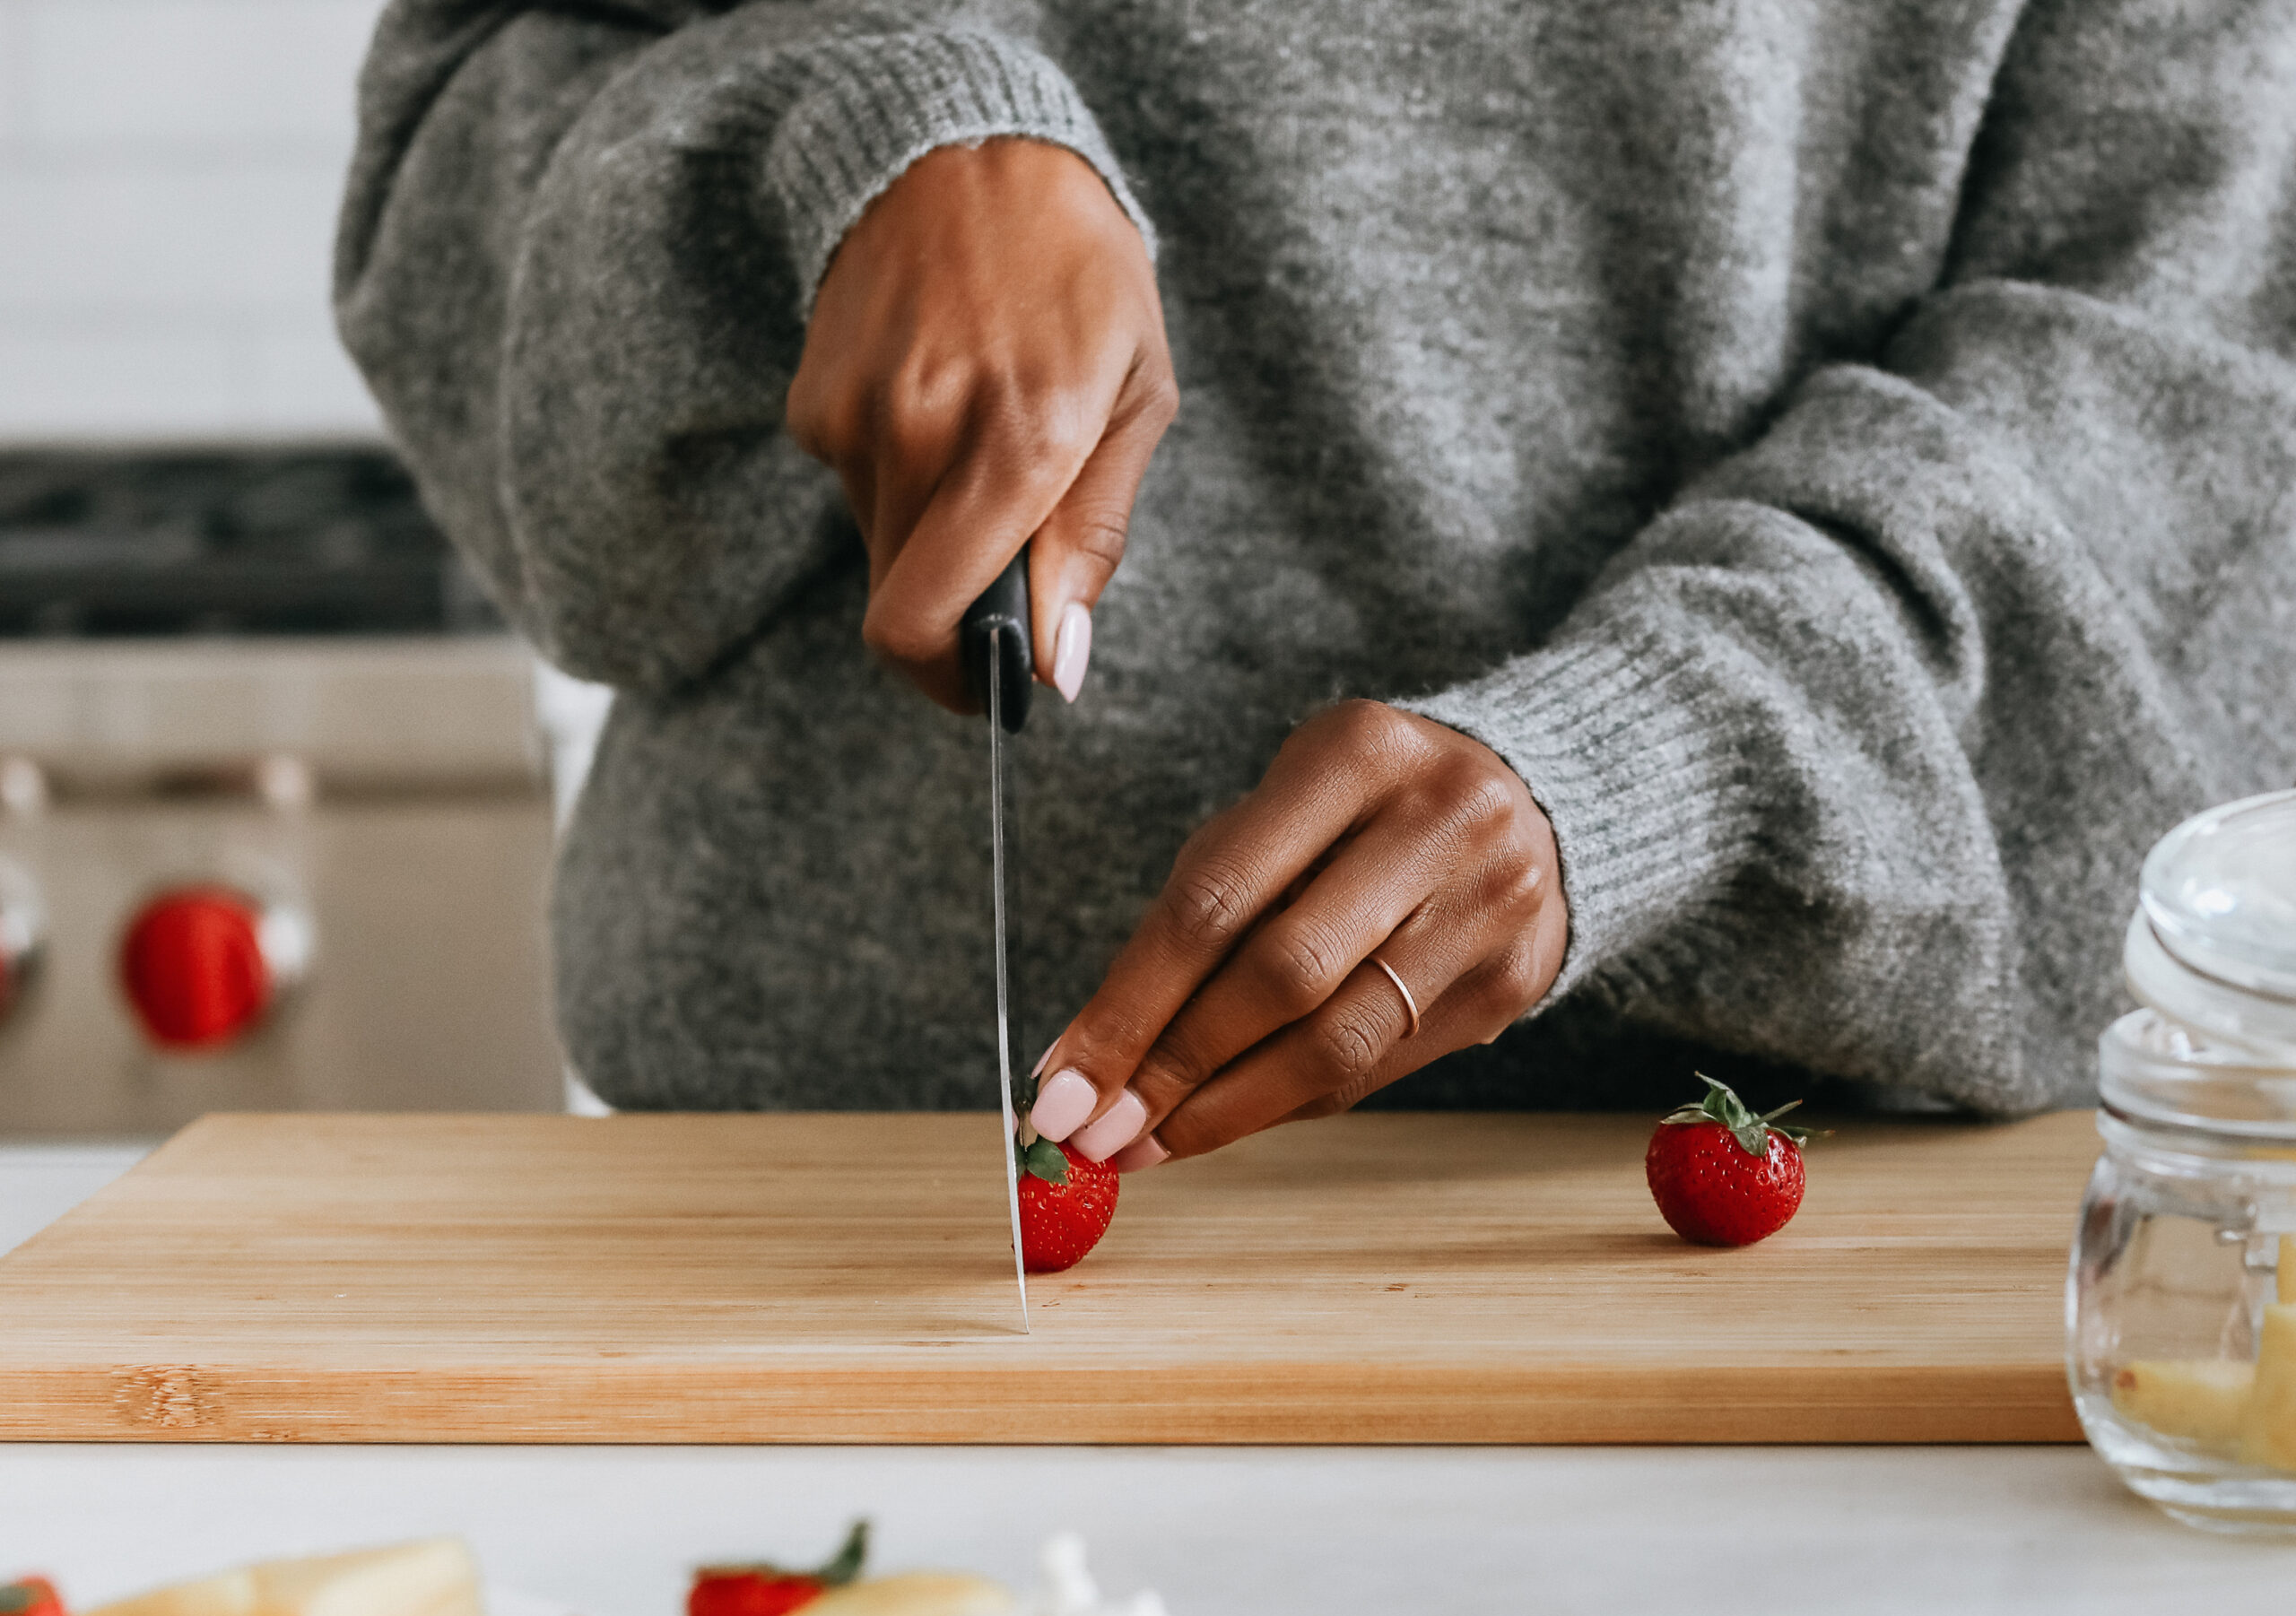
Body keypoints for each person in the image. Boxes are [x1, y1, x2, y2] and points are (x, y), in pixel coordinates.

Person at [338, 0, 2293, 1163]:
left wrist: (1666, 761)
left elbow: (2193, 380)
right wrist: (829, 136)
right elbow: (461, 146)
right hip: (793, 1241)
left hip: (1765, 1261)